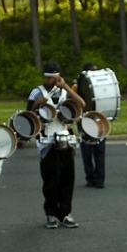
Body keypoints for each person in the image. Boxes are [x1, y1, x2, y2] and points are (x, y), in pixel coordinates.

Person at [27, 61, 86, 228]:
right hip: (47, 140)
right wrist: (37, 103)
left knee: (68, 178)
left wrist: (66, 86)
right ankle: (51, 213)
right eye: (51, 77)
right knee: (50, 179)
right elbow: (28, 116)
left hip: (65, 138)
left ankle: (66, 213)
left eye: (57, 77)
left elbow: (81, 104)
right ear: (46, 77)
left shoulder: (65, 92)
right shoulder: (37, 92)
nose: (54, 80)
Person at [75, 63, 106, 188]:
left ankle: (100, 179)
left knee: (99, 151)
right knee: (87, 152)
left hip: (98, 120)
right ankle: (90, 178)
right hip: (84, 121)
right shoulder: (78, 86)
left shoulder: (101, 86)